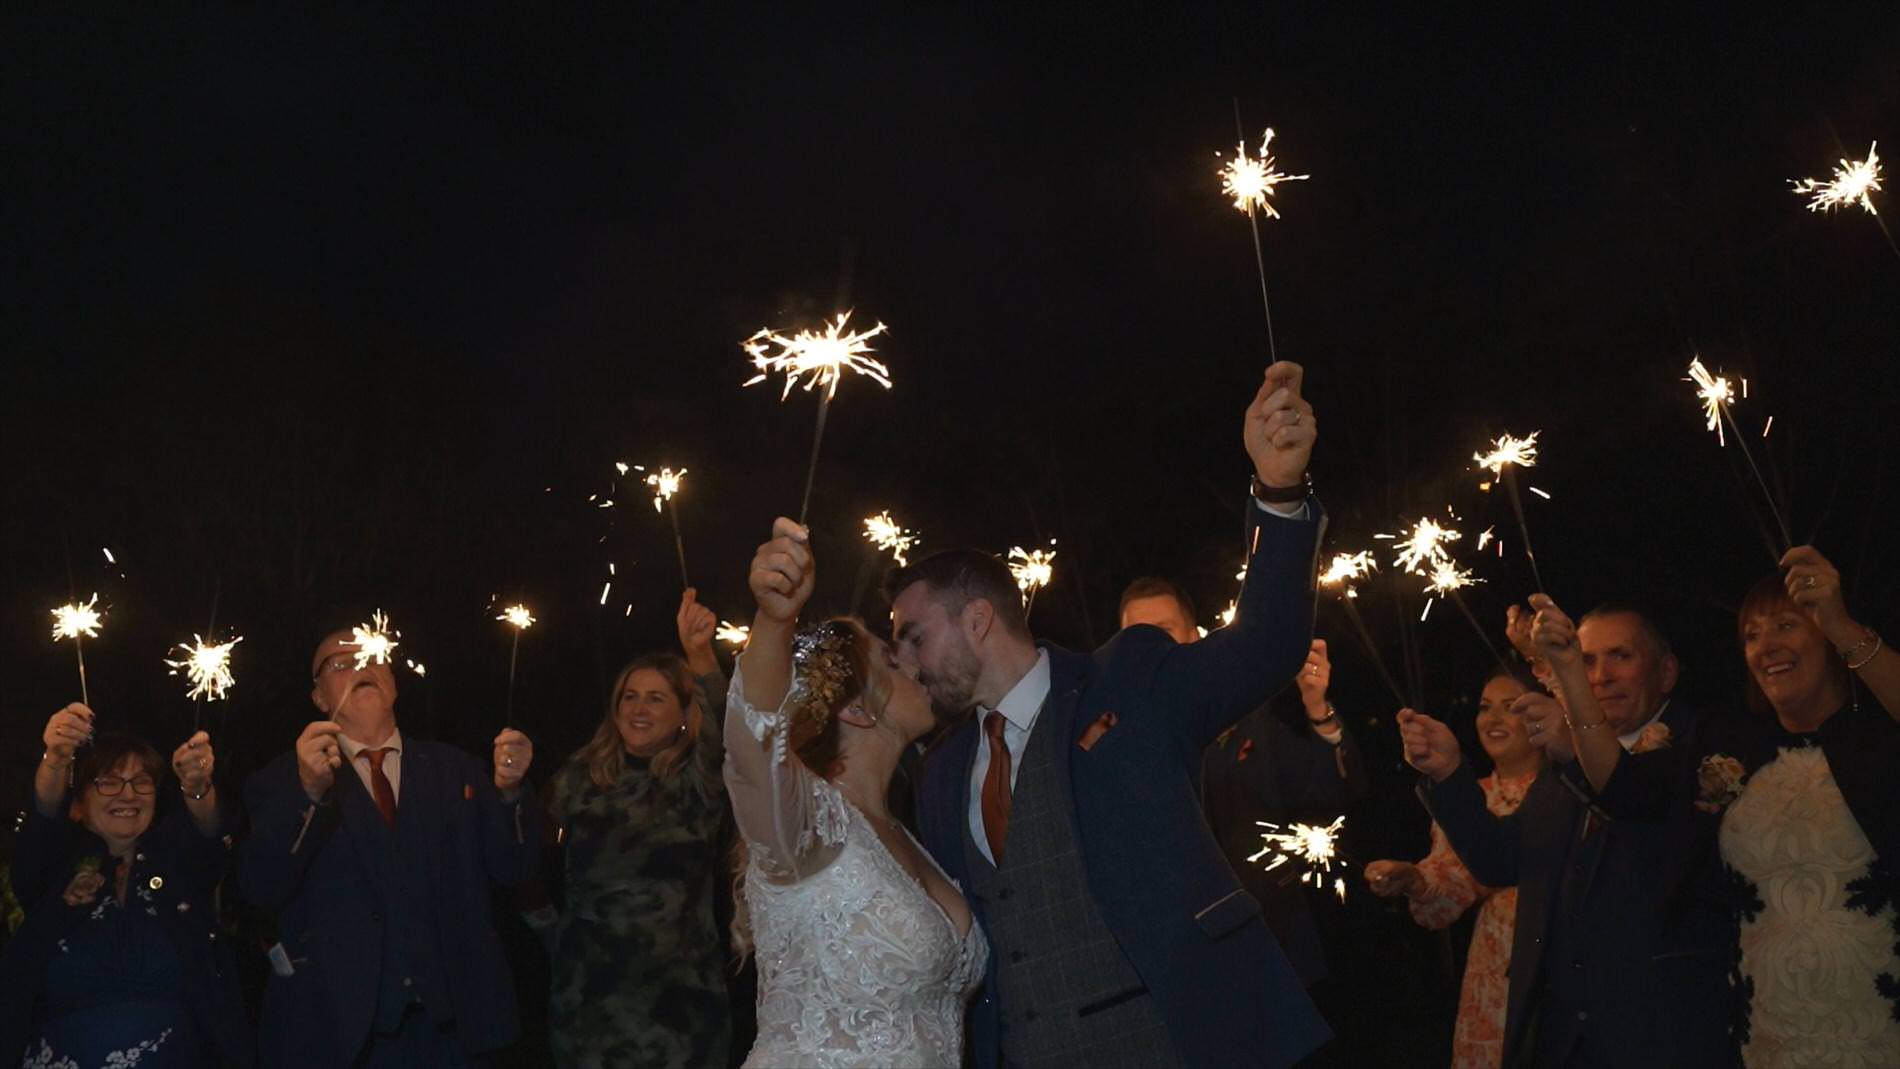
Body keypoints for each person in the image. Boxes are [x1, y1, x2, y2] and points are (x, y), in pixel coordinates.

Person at [890, 361, 1330, 1069]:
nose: (904, 658)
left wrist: (1278, 489)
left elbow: (1268, 643)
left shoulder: (1128, 679)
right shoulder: (939, 774)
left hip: (1173, 1046)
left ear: (977, 620)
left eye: (913, 634)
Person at [1592, 546, 1899, 1066]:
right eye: (1752, 635)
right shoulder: (1726, 741)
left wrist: (1841, 622)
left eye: (1785, 625)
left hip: (1879, 1019)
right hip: (1768, 1028)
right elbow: (1626, 790)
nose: (1766, 647)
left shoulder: (1878, 735)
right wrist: (1566, 677)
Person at [1400, 598, 1736, 1067]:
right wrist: (1449, 774)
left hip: (1661, 1037)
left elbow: (1646, 827)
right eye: (1587, 660)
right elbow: (1503, 860)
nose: (1600, 676)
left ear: (1665, 672)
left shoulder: (1703, 750)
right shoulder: (1561, 763)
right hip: (1561, 1044)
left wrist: (1575, 752)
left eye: (1621, 656)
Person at [724, 516, 987, 1067]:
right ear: (857, 709)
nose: (916, 662)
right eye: (893, 659)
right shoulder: (804, 822)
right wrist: (776, 621)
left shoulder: (909, 835)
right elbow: (755, 745)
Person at [239, 626, 539, 1068]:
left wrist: (510, 792)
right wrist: (308, 791)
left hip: (457, 1031)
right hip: (344, 1035)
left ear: (394, 683)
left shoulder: (458, 769)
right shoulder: (278, 782)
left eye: (372, 658)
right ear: (319, 698)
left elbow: (514, 870)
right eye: (340, 665)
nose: (360, 667)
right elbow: (260, 891)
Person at [1120, 578, 1366, 987]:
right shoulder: (1115, 745)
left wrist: (1316, 707)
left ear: (1195, 638)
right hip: (1176, 973)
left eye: (1163, 632)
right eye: (1135, 638)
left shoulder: (1253, 719)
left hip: (1275, 958)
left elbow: (1332, 796)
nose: (1150, 649)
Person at [543, 589, 735, 1069]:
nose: (638, 708)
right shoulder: (580, 775)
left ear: (682, 715)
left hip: (678, 1004)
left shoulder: (699, 780)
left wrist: (698, 652)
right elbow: (531, 852)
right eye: (629, 697)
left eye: (655, 698)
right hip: (590, 1000)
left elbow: (730, 722)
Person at [1, 707, 251, 1067]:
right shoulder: (52, 871)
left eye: (142, 781)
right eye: (108, 781)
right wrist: (56, 759)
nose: (128, 794)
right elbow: (41, 826)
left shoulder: (177, 871)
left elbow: (209, 840)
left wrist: (197, 788)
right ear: (80, 800)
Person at [1364, 667, 1542, 1069]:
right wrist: (1414, 880)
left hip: (1553, 968)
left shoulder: (1563, 789)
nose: (1493, 719)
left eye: (1509, 707)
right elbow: (1450, 890)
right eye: (1484, 707)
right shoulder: (1467, 797)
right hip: (1494, 978)